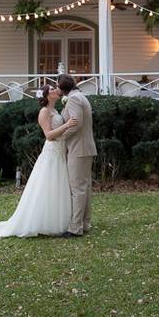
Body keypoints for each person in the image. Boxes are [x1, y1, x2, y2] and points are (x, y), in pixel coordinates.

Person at [0, 84, 78, 238]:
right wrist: (67, 125)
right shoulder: (44, 112)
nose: (55, 90)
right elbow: (49, 135)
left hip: (61, 151)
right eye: (51, 90)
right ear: (46, 96)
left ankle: (59, 220)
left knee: (58, 185)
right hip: (52, 152)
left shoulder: (55, 110)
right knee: (47, 185)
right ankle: (40, 221)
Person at [58, 73, 97, 237]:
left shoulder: (74, 99)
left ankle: (75, 228)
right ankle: (84, 222)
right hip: (84, 147)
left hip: (79, 148)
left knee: (78, 188)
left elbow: (76, 123)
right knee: (84, 187)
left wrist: (60, 137)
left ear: (62, 88)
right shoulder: (79, 96)